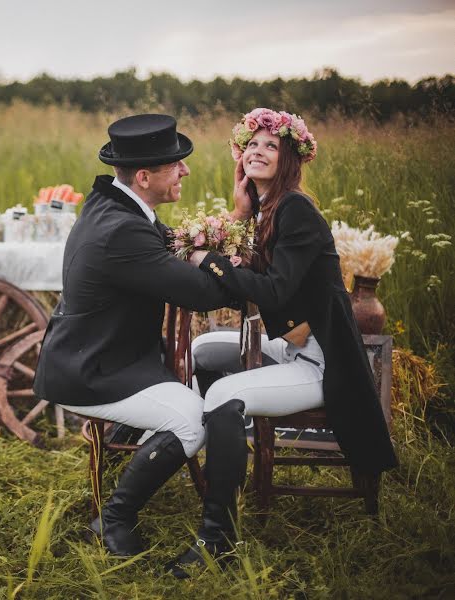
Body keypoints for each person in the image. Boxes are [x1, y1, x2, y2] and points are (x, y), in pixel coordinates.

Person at [166, 108, 398, 578]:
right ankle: (223, 459)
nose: (258, 150)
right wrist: (239, 212)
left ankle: (218, 537)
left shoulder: (295, 208)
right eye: (252, 144)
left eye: (271, 145)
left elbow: (270, 290)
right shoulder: (269, 210)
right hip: (294, 344)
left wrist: (209, 259)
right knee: (207, 349)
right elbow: (246, 279)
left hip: (322, 361)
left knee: (222, 394)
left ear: (289, 159)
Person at [33, 114, 234, 557]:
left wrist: (224, 234)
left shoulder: (118, 207)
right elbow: (201, 293)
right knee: (193, 418)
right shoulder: (122, 229)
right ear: (144, 176)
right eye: (175, 164)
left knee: (185, 409)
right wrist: (233, 271)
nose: (185, 170)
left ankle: (130, 463)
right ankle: (113, 521)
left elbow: (174, 244)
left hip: (110, 357)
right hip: (90, 370)